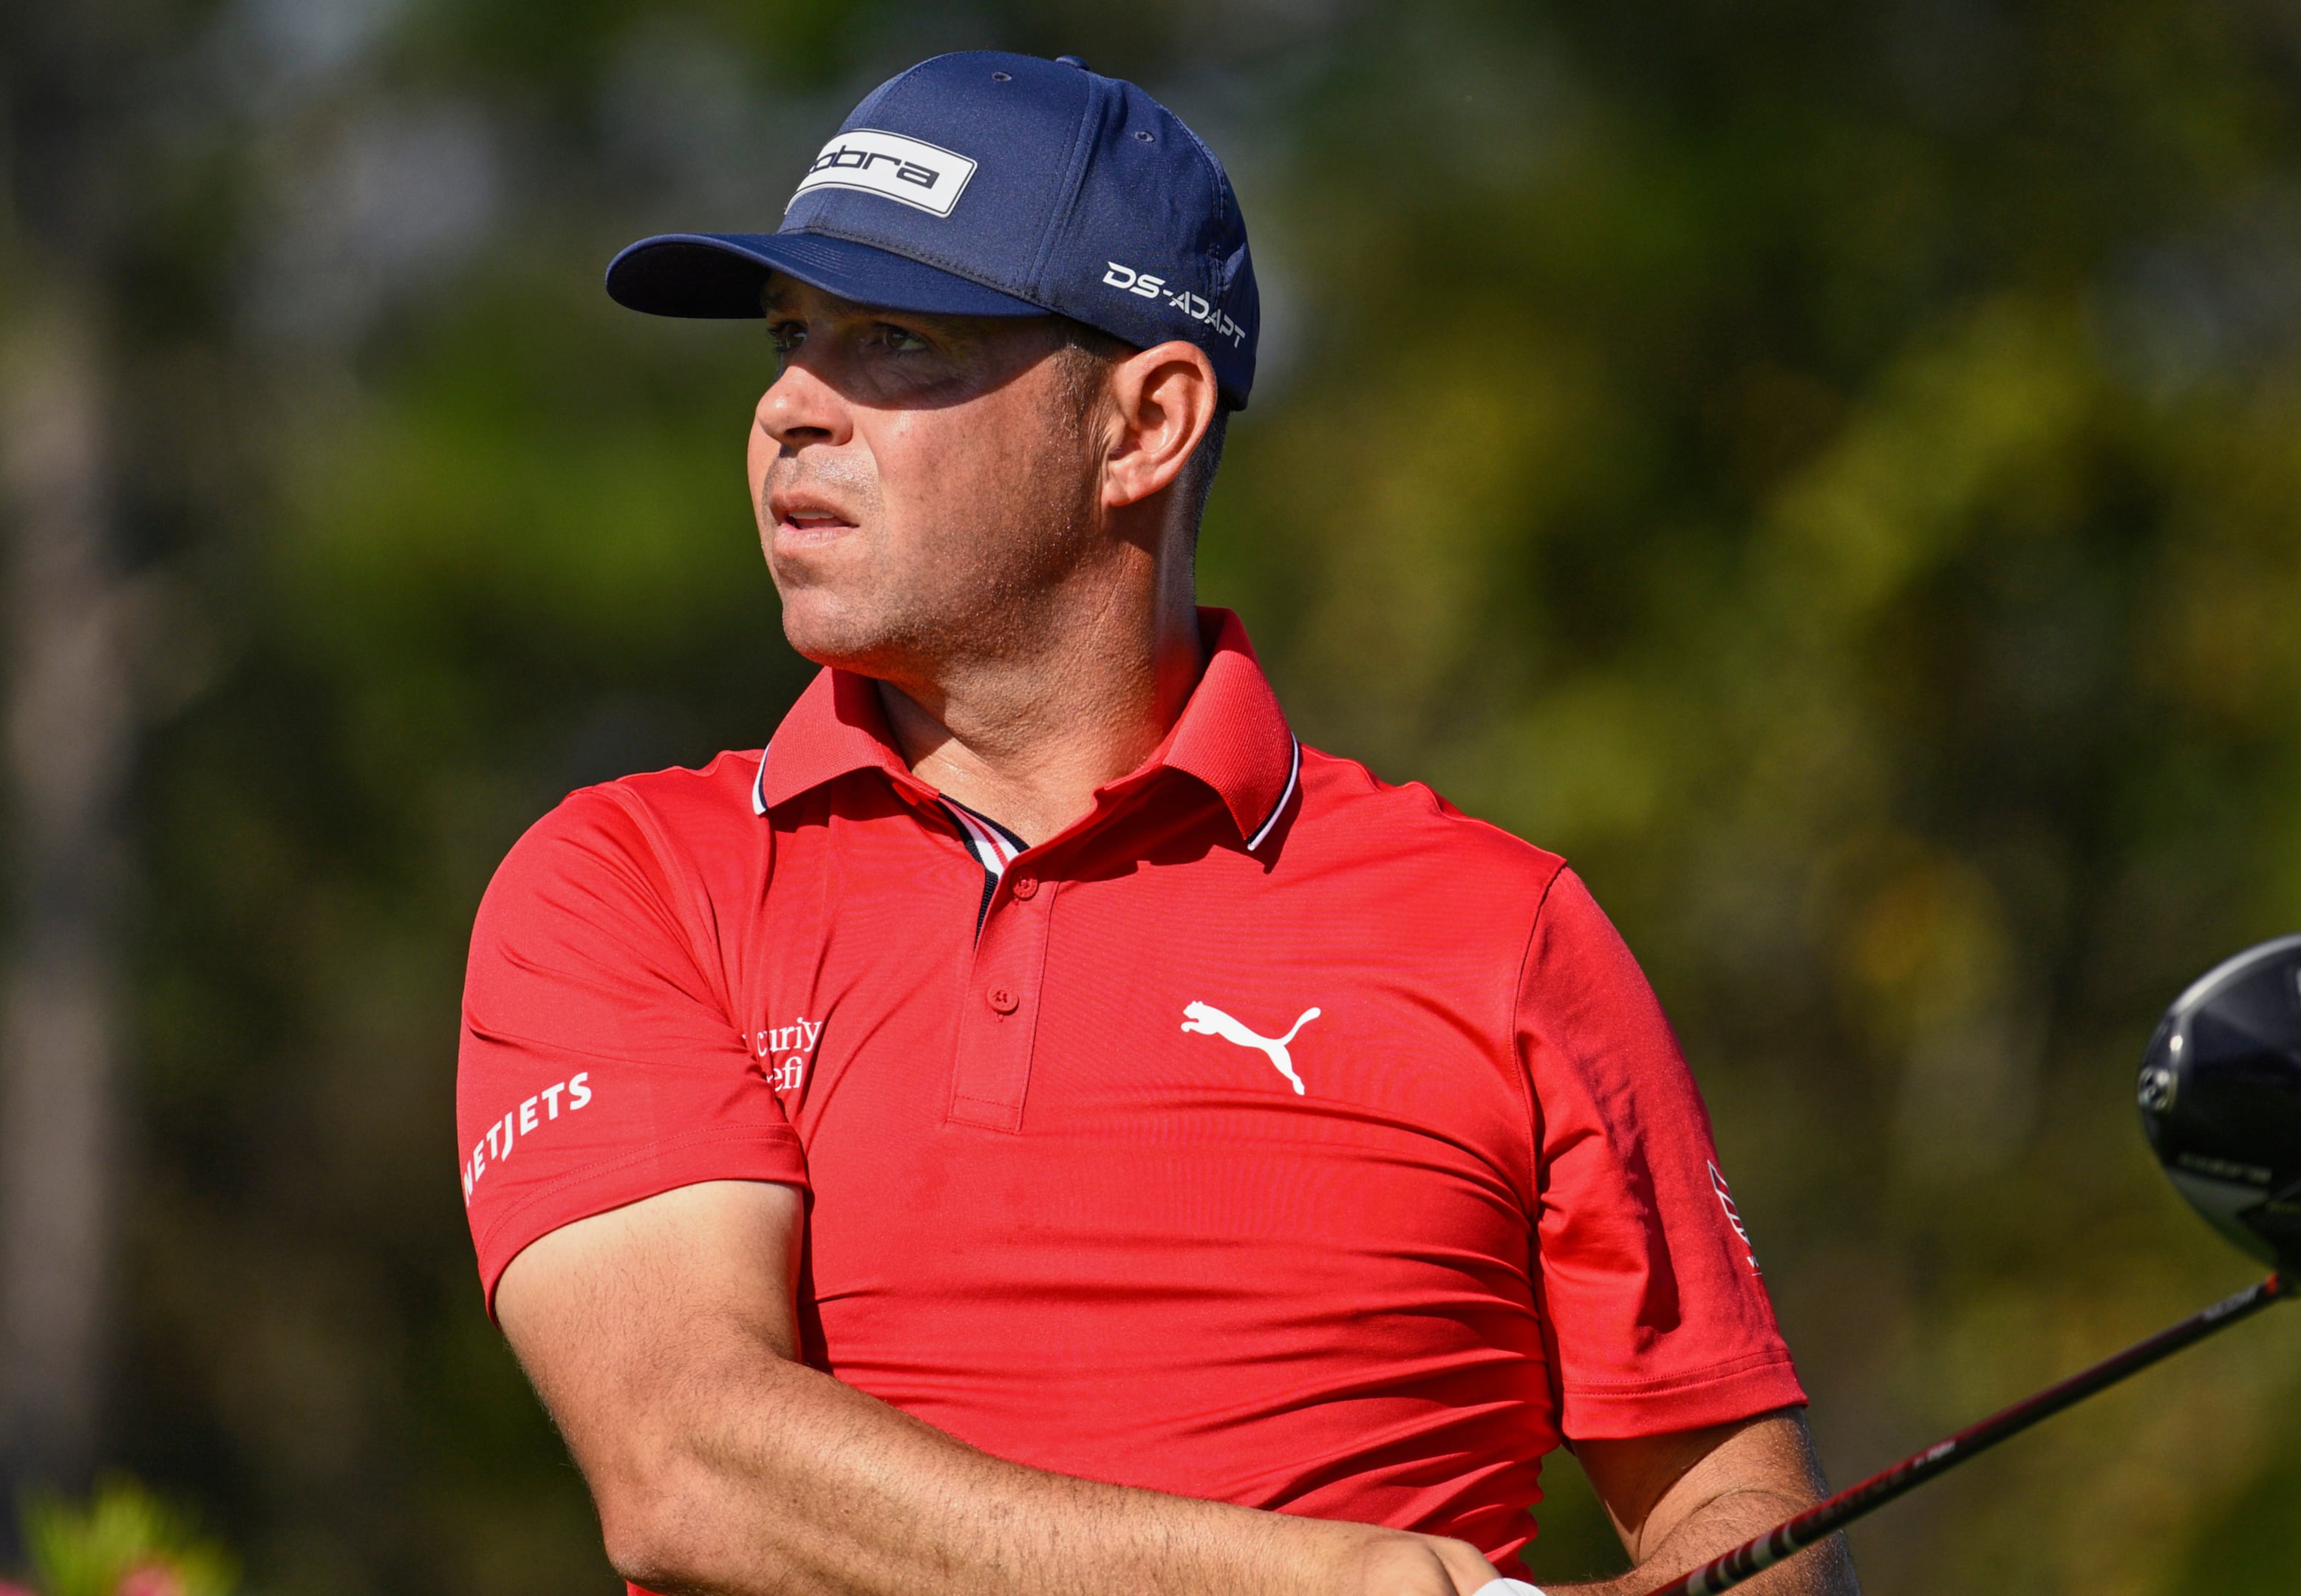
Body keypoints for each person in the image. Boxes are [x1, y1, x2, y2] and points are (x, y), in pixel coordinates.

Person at [454, 50, 1862, 1596]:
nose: (791, 408)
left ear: (1146, 423)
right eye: (793, 342)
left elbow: (1744, 1527)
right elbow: (687, 1466)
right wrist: (1328, 1587)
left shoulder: (1502, 931)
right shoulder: (634, 883)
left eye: (897, 345)